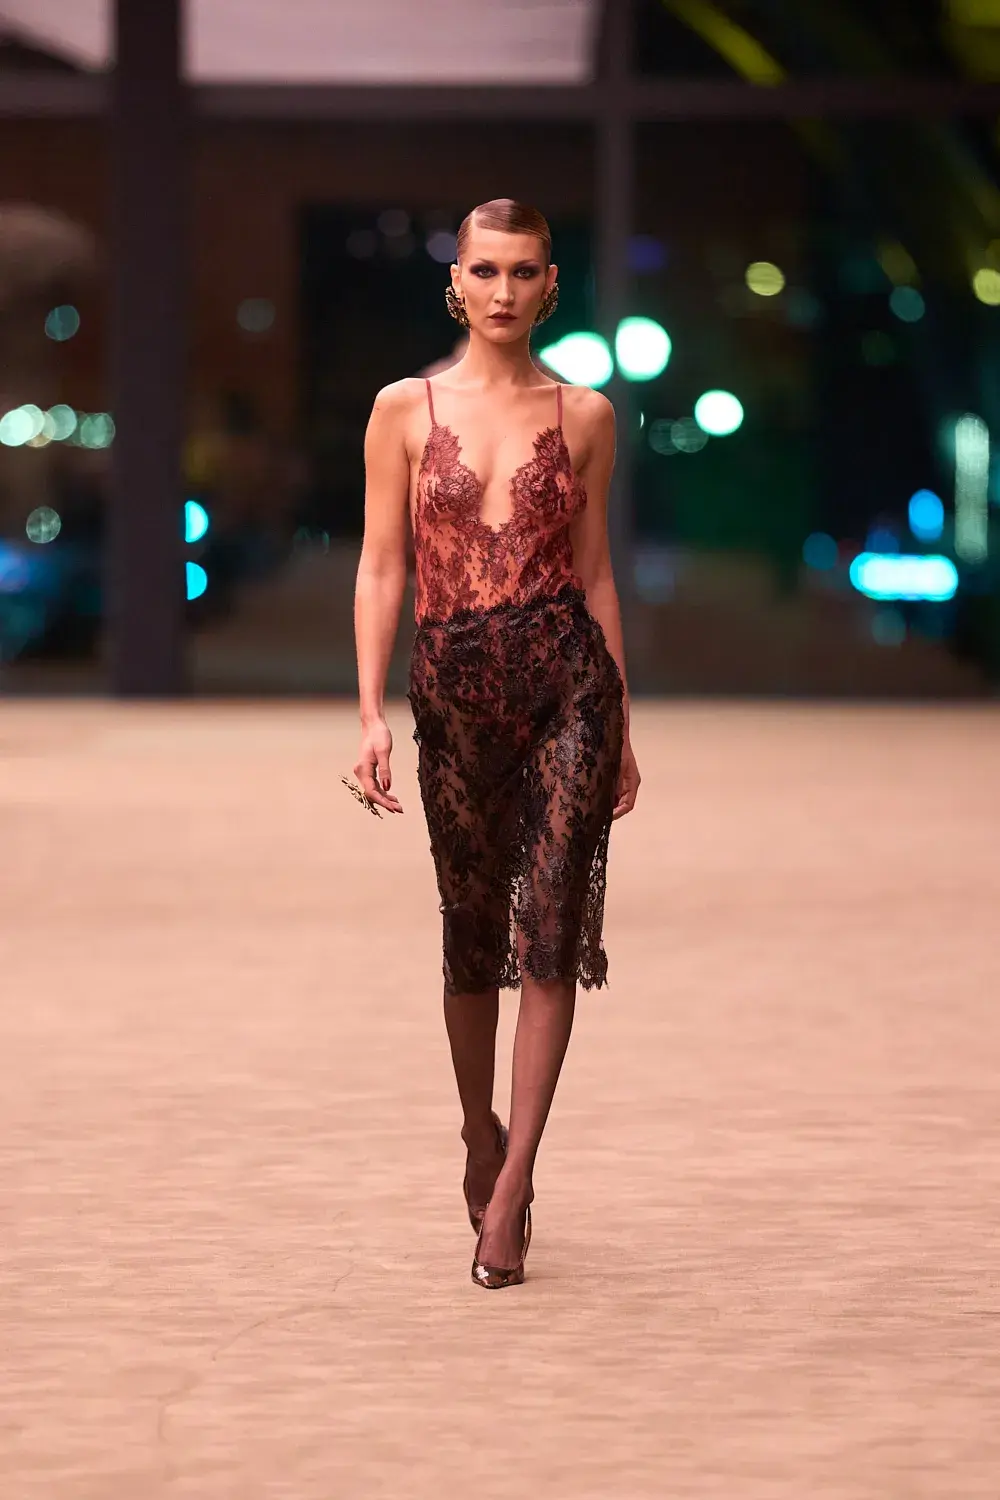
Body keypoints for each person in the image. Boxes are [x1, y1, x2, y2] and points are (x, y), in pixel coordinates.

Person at [351, 198, 641, 1289]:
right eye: (486, 270)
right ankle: (479, 1130)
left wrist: (622, 725)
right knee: (473, 938)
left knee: (551, 930)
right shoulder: (404, 408)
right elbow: (383, 564)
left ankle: (513, 1185)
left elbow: (595, 573)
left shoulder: (586, 415)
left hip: (568, 686)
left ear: (551, 285)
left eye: (524, 271)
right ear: (457, 282)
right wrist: (370, 712)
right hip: (453, 692)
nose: (504, 290)